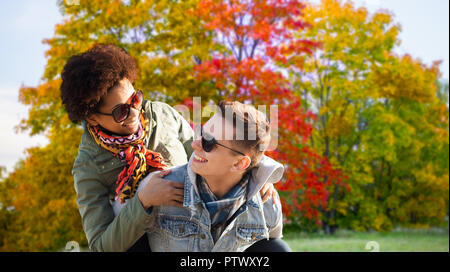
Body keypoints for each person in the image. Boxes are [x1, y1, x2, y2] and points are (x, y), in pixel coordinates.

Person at [62, 44, 279, 252]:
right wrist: (143, 202)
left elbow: (211, 153)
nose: (135, 114)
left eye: (135, 99)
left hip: (197, 227)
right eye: (121, 112)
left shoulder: (163, 115)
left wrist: (258, 174)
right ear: (92, 118)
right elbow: (101, 246)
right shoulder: (88, 166)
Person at [114, 101, 292, 252]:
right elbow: (117, 240)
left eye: (208, 142)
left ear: (239, 164)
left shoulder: (266, 203)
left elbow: (269, 246)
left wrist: (262, 177)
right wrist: (143, 201)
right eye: (201, 133)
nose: (195, 144)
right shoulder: (159, 188)